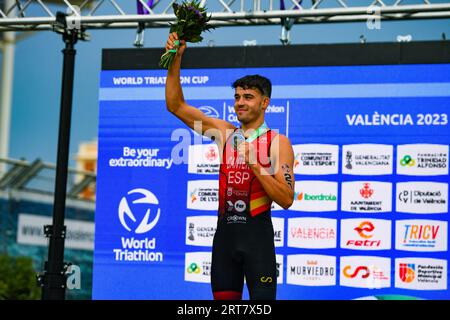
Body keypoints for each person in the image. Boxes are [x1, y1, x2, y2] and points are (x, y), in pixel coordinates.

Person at [164, 32, 295, 300]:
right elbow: (175, 106)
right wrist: (175, 60)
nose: (240, 103)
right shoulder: (223, 133)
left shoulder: (277, 143)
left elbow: (286, 198)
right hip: (224, 239)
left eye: (248, 97)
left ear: (264, 103)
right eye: (237, 97)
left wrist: (257, 166)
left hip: (257, 239)